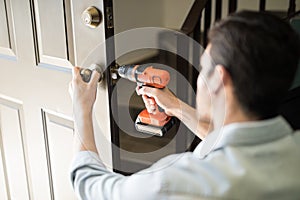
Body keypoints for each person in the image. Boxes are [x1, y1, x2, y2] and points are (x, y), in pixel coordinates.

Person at [69, 11, 300, 199]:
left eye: (203, 68)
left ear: (219, 79)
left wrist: (81, 109)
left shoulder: (178, 183)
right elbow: (233, 139)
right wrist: (175, 106)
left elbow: (92, 187)